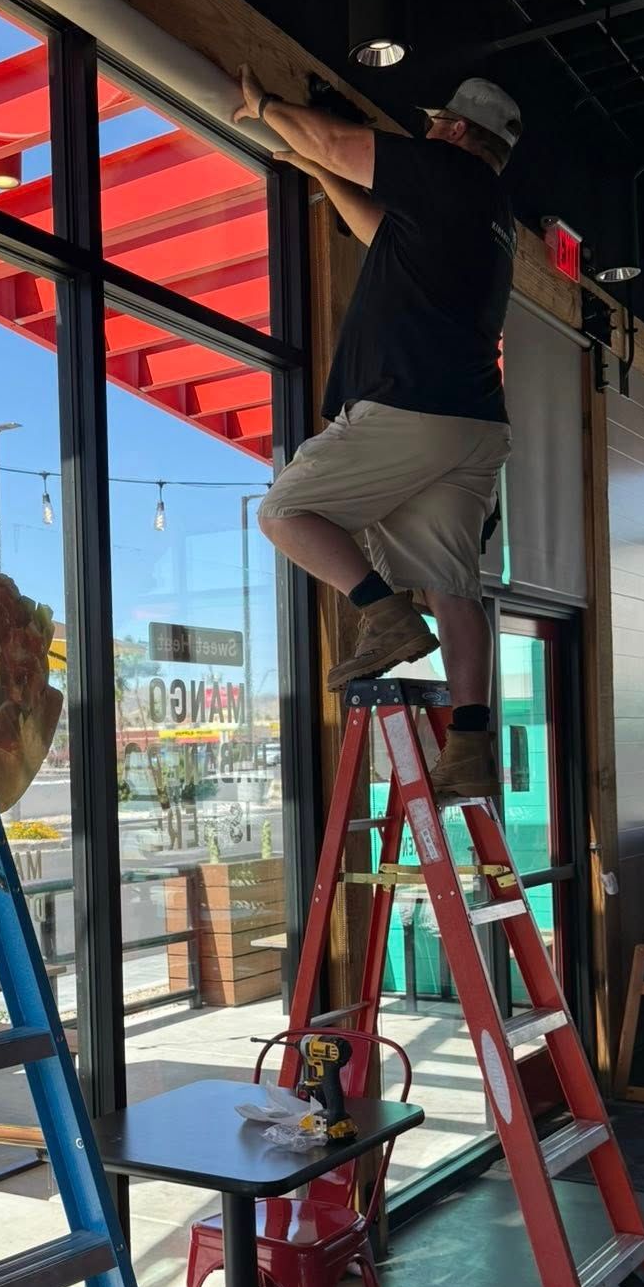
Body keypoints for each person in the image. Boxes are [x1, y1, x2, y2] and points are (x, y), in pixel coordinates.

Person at [236, 70, 521, 803]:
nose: (425, 132)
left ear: (458, 132)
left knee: (285, 512)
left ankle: (385, 616)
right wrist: (319, 168)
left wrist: (267, 105)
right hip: (472, 424)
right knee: (455, 586)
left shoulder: (447, 170)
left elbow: (336, 138)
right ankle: (469, 747)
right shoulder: (490, 218)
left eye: (434, 124)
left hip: (409, 404)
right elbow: (374, 230)